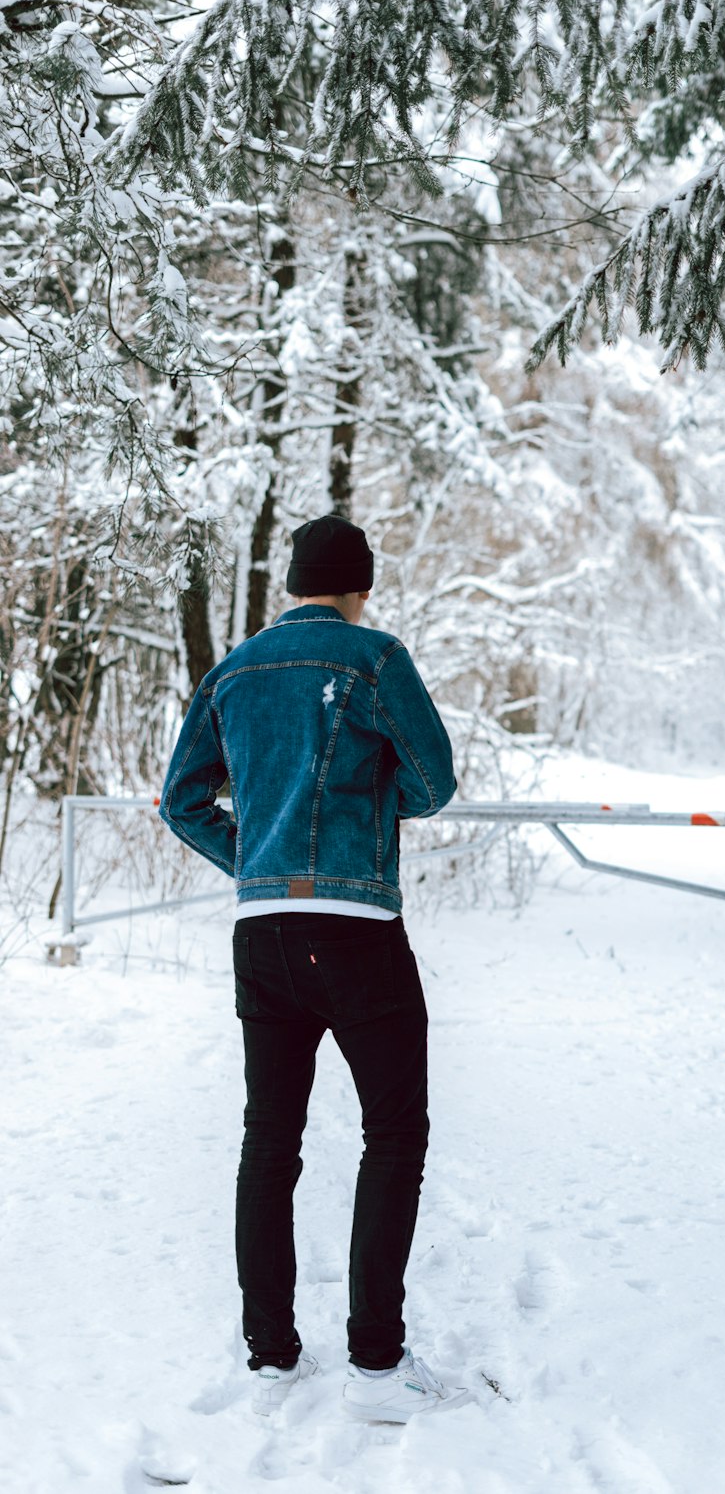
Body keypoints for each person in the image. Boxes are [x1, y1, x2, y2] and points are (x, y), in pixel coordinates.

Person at [159, 513, 471, 1423]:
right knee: (395, 1134)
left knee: (270, 1140)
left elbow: (181, 801)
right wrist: (365, 818)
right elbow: (433, 782)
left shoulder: (233, 669)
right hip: (357, 931)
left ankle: (271, 1355)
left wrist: (256, 859)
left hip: (261, 933)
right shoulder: (374, 660)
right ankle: (376, 1364)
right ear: (360, 585)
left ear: (295, 583)